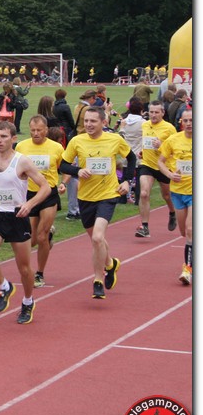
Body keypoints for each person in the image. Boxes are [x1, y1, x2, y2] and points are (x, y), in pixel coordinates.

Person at [59, 107, 137, 300]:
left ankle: (97, 280)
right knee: (97, 239)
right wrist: (78, 171)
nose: (88, 124)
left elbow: (131, 158)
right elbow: (63, 165)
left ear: (104, 122)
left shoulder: (114, 139)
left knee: (97, 237)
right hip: (85, 197)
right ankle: (110, 264)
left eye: (93, 121)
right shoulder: (77, 141)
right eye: (86, 121)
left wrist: (127, 181)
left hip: (108, 195)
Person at [0, 122, 51, 324]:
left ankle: (28, 301)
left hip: (17, 217)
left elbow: (45, 187)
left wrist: (30, 204)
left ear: (13, 138)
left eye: (3, 136)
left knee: (25, 269)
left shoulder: (22, 162)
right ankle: (5, 286)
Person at [15, 115, 68, 288]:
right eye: (33, 130)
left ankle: (39, 273)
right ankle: (48, 234)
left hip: (48, 194)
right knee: (31, 240)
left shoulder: (56, 147)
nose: (36, 133)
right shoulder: (21, 146)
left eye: (39, 130)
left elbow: (65, 167)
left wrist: (63, 183)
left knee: (41, 236)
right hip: (29, 195)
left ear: (46, 130)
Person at [157, 109, 193, 285]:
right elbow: (160, 162)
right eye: (186, 121)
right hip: (178, 191)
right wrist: (170, 174)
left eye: (192, 120)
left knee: (191, 230)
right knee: (183, 232)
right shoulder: (173, 140)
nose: (189, 123)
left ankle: (188, 269)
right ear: (181, 122)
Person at [135, 100, 177, 238]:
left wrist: (162, 145)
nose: (153, 115)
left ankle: (172, 212)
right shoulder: (145, 125)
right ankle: (145, 227)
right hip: (146, 164)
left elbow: (175, 149)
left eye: (156, 112)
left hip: (163, 166)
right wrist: (142, 151)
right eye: (151, 112)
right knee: (144, 193)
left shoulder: (169, 128)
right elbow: (146, 142)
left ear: (162, 113)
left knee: (166, 195)